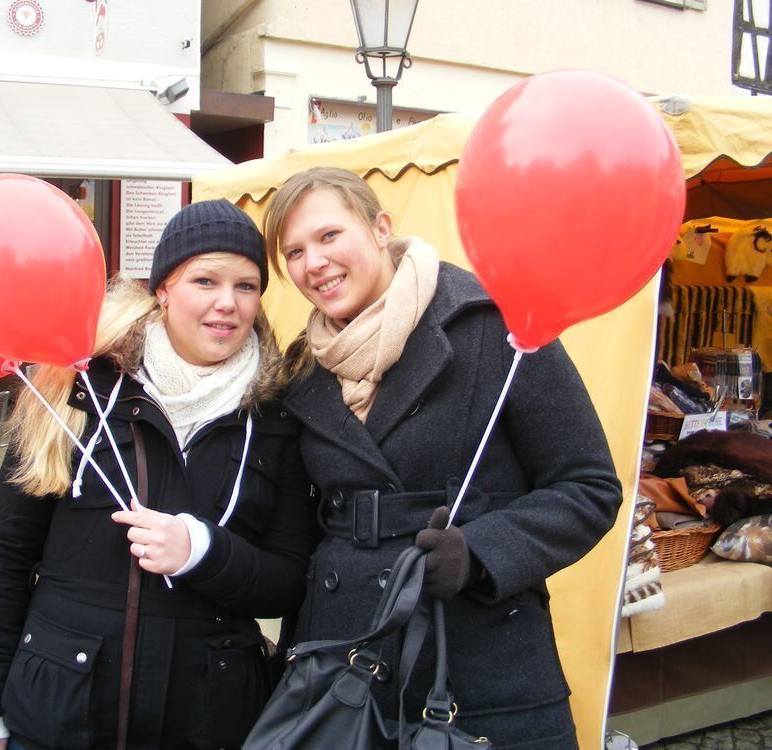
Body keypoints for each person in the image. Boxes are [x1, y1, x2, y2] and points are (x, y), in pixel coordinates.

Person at [262, 167, 623, 748]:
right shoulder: (303, 368)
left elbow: (588, 485)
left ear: (380, 228)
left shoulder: (494, 325)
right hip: (345, 670)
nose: (314, 263)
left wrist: (481, 552)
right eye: (295, 252)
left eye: (330, 236)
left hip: (479, 664)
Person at [0, 199, 318, 750]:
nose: (228, 303)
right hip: (61, 712)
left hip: (208, 717)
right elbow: (6, 554)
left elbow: (289, 582)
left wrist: (204, 550)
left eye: (247, 286)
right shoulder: (75, 388)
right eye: (205, 280)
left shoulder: (277, 416)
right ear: (163, 289)